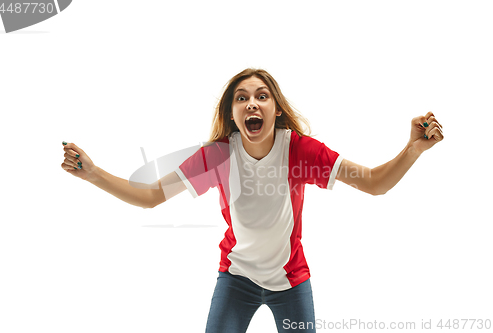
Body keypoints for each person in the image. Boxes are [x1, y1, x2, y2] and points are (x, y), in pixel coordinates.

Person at [61, 68, 444, 333]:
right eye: (241, 98)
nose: (252, 104)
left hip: (291, 281)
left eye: (262, 97)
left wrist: (414, 149)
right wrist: (92, 172)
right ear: (232, 113)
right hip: (236, 279)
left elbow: (375, 183)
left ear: (276, 109)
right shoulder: (216, 156)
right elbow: (150, 196)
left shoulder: (300, 151)